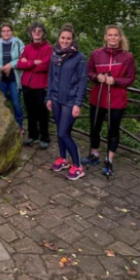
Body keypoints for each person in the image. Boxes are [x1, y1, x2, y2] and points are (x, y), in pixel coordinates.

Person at [83, 25, 136, 178]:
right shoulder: (96, 54)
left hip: (117, 100)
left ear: (120, 38)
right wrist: (96, 77)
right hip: (98, 98)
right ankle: (94, 154)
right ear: (105, 37)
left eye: (115, 35)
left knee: (113, 131)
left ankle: (109, 160)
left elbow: (130, 79)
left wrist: (116, 81)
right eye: (110, 35)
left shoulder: (127, 57)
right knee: (94, 127)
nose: (112, 38)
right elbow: (89, 72)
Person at [46, 24, 88, 181]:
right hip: (56, 99)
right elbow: (51, 78)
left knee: (64, 132)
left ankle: (78, 166)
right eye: (63, 38)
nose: (65, 41)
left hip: (70, 101)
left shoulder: (79, 58)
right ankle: (63, 159)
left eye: (68, 38)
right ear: (59, 38)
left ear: (72, 40)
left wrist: (78, 103)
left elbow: (82, 82)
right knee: (59, 131)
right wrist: (48, 97)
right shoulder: (54, 55)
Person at [17, 22, 52, 149]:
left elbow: (44, 66)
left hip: (40, 86)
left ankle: (44, 137)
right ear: (30, 33)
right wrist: (34, 62)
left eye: (39, 31)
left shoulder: (48, 48)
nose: (36, 33)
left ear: (43, 33)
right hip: (27, 85)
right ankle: (33, 135)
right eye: (34, 31)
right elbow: (20, 64)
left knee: (42, 113)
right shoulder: (27, 48)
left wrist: (29, 63)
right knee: (30, 112)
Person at [0, 23, 24, 134]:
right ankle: (1, 127)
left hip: (14, 78)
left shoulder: (18, 43)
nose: (6, 33)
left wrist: (10, 65)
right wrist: (2, 67)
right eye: (3, 31)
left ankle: (19, 126)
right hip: (1, 78)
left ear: (12, 31)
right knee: (1, 102)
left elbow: (23, 58)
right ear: (1, 33)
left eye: (8, 30)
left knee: (16, 103)